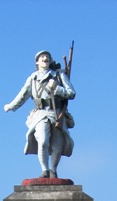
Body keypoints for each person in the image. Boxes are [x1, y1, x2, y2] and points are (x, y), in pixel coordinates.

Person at [4, 50, 76, 178]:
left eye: (47, 56)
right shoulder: (33, 78)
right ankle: (45, 170)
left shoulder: (59, 76)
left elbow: (71, 93)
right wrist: (11, 106)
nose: (45, 58)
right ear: (37, 62)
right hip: (40, 113)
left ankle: (53, 170)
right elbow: (23, 95)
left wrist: (57, 88)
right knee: (42, 140)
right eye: (42, 57)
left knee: (57, 145)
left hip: (56, 113)